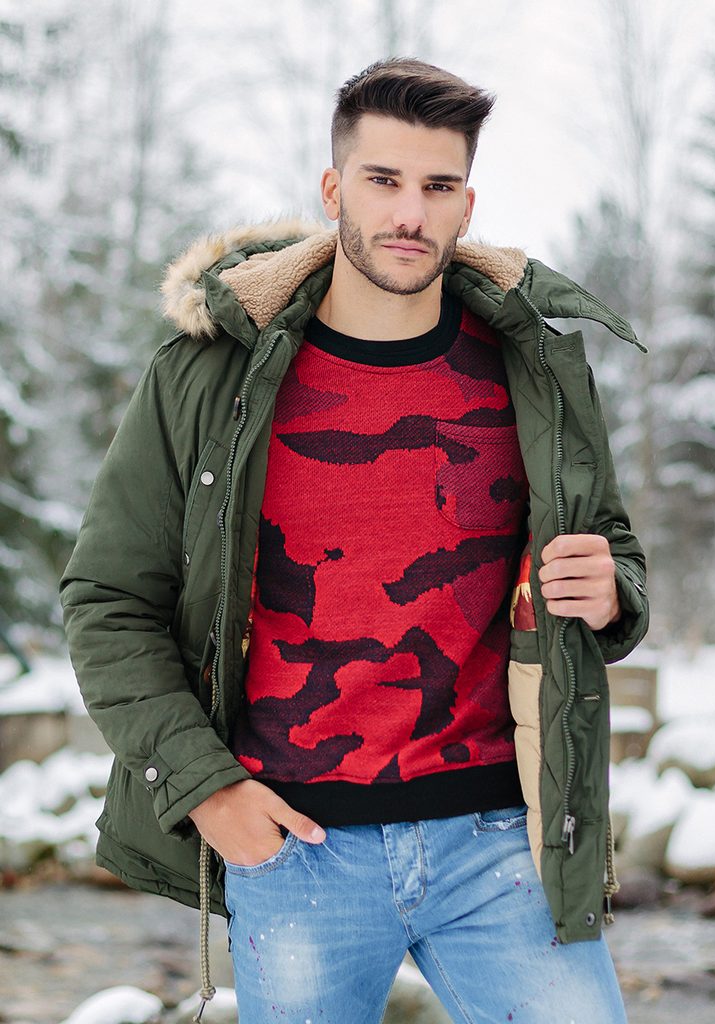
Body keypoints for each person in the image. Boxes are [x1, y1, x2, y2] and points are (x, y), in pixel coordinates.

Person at [61, 58, 649, 1024]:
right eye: (384, 180)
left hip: (498, 837)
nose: (410, 213)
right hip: (296, 849)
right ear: (334, 190)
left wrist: (613, 588)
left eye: (438, 186)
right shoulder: (210, 376)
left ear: (468, 204)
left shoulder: (533, 367)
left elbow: (610, 548)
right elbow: (107, 601)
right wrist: (208, 792)